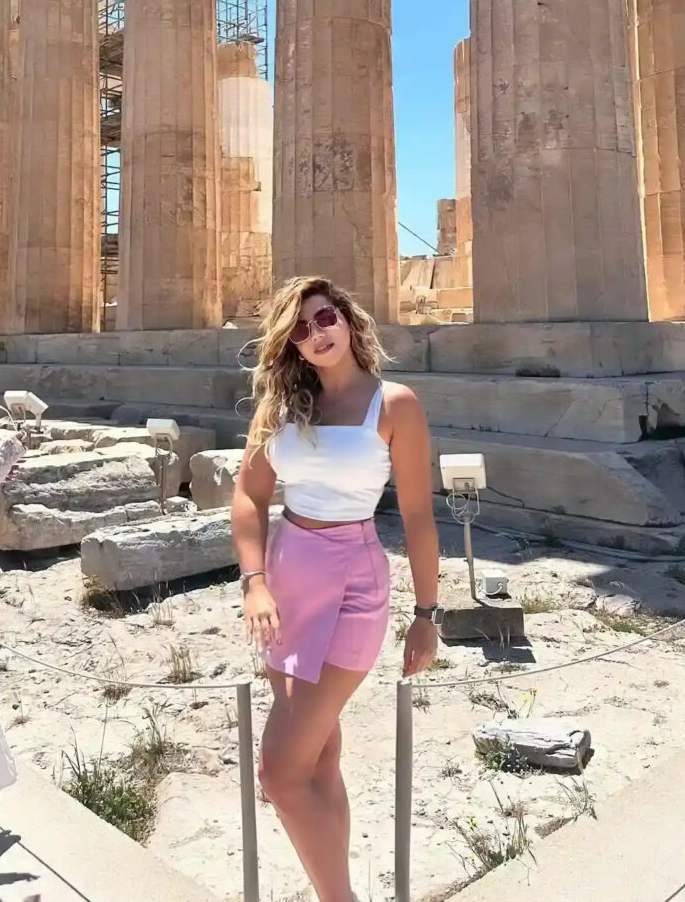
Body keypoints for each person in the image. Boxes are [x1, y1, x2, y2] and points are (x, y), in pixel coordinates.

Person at [231, 275, 441, 902]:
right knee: (318, 757)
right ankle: (338, 889)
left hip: (354, 580)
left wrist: (426, 612)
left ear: (347, 320)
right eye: (298, 329)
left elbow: (419, 516)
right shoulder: (282, 406)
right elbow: (248, 495)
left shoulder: (394, 403)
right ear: (289, 345)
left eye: (323, 318)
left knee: (279, 770)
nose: (314, 334)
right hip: (287, 579)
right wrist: (254, 582)